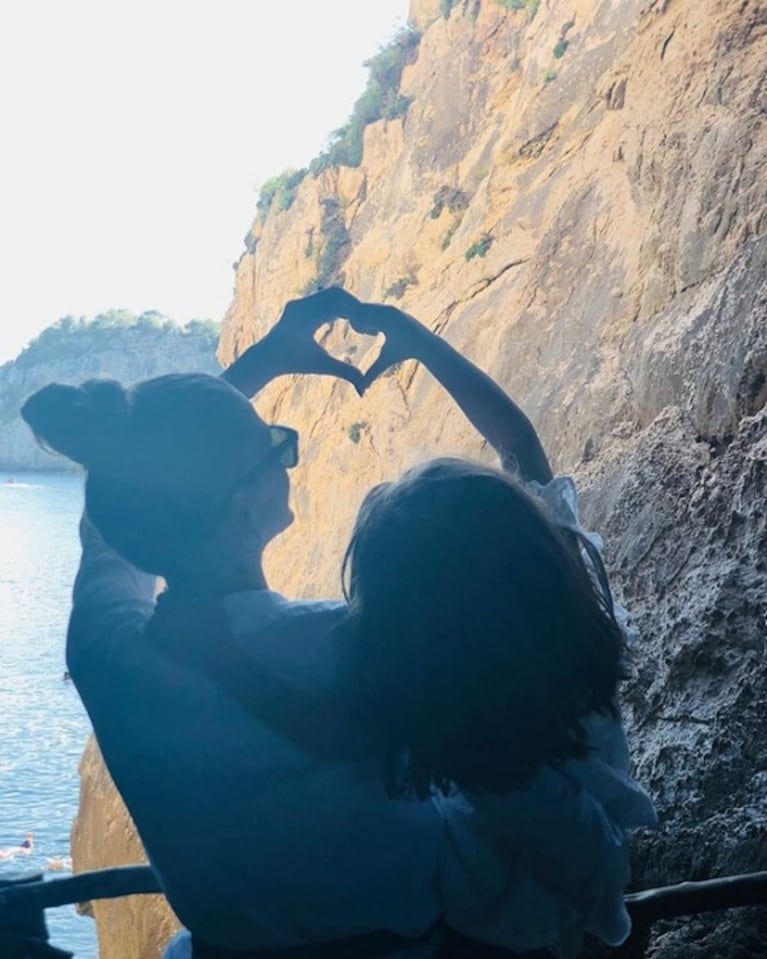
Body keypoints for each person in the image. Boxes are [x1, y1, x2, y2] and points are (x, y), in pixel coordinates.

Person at [21, 288, 654, 958]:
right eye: (275, 446)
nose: (284, 451)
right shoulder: (344, 648)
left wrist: (259, 361)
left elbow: (111, 515)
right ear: (244, 507)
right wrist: (390, 341)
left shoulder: (103, 645)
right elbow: (524, 477)